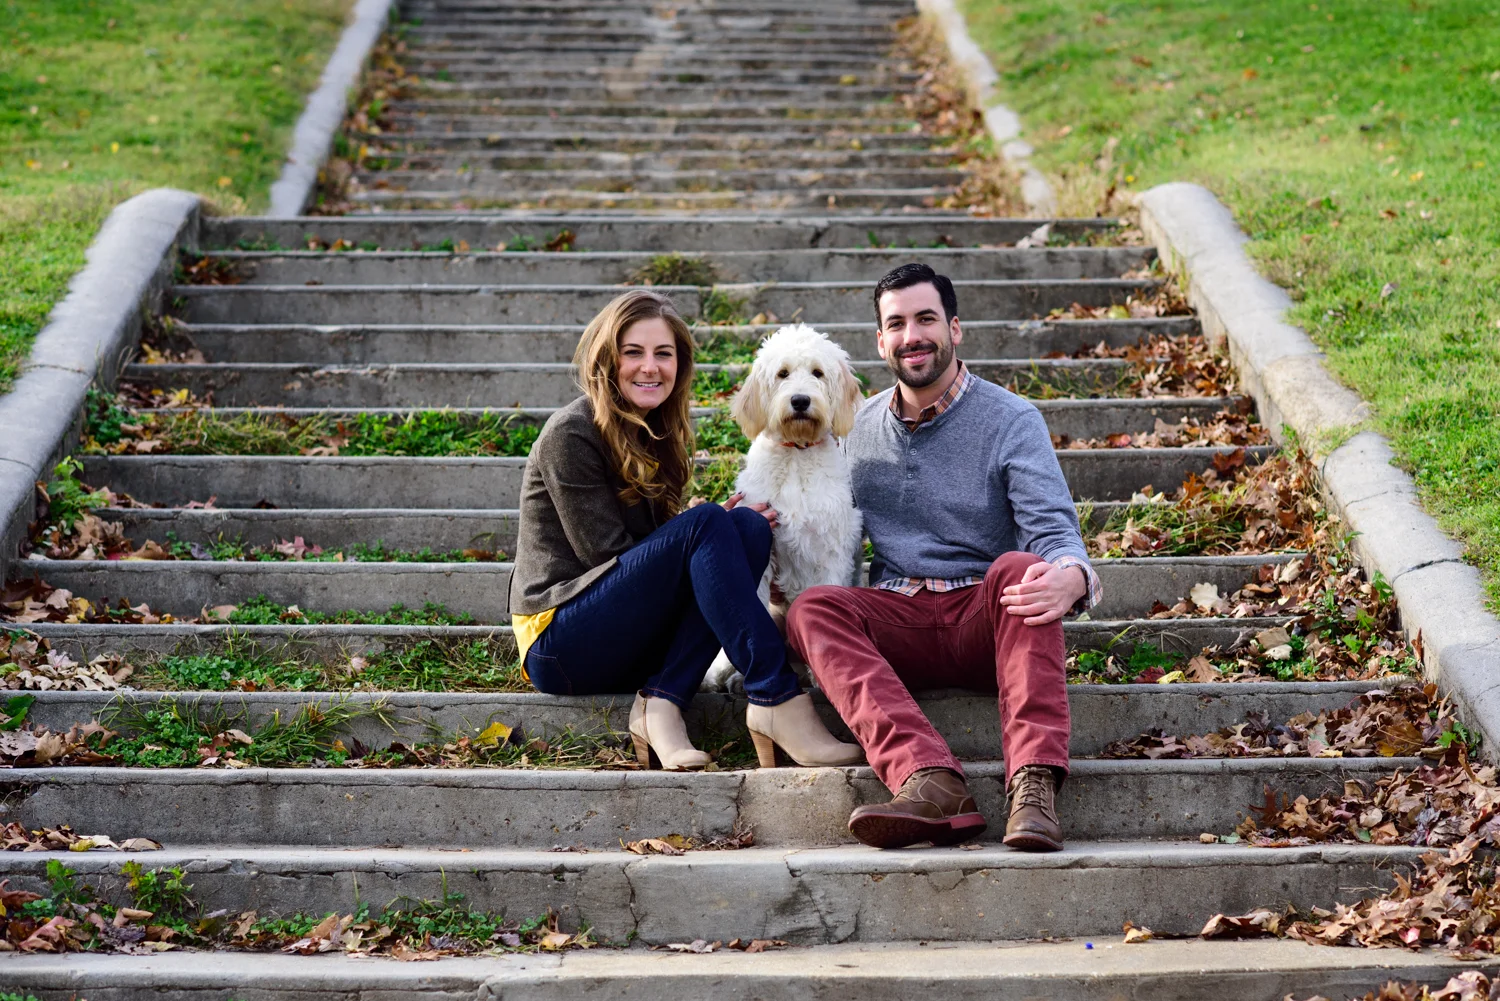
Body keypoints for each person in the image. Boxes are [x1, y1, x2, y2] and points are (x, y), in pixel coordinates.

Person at [785, 263, 1102, 851]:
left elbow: (1054, 532)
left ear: (955, 329)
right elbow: (813, 508)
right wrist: (754, 518)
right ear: (881, 340)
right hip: (898, 618)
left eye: (926, 319)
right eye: (897, 324)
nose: (913, 336)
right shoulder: (855, 428)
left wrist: (1072, 577)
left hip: (984, 616)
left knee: (1023, 569)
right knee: (813, 608)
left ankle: (1032, 786)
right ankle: (928, 782)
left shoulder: (1010, 419)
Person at [509, 289, 862, 771]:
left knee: (746, 529)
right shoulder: (570, 434)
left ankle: (661, 701)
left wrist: (709, 534)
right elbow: (605, 559)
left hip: (629, 641)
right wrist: (695, 530)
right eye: (633, 353)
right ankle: (777, 697)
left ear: (680, 364)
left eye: (663, 353)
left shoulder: (656, 433)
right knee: (716, 524)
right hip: (560, 641)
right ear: (606, 361)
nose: (649, 367)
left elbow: (652, 569)